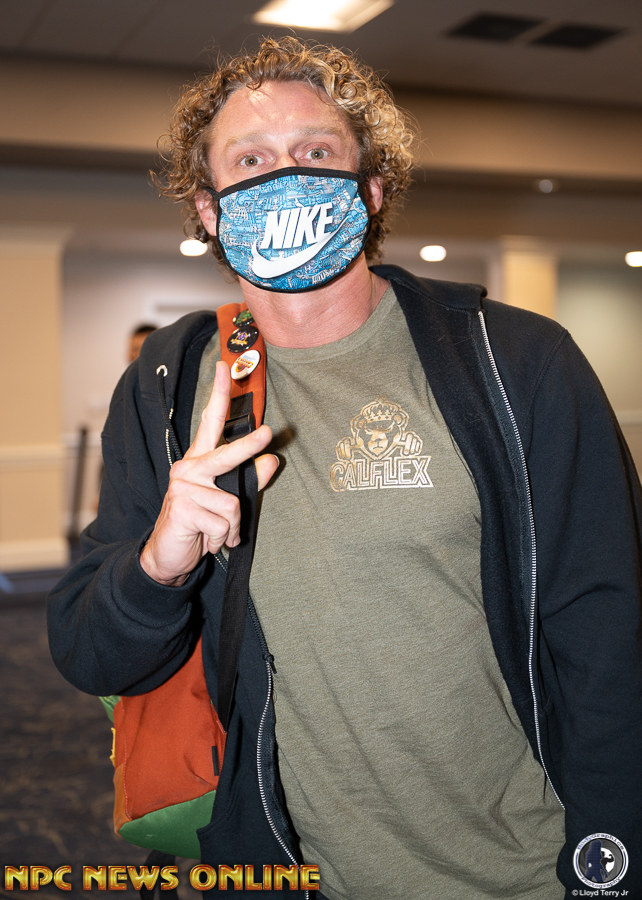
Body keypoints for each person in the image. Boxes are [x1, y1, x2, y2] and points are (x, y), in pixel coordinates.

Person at [47, 36, 642, 900]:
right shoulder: (171, 383)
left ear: (369, 190)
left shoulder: (515, 361)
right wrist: (159, 568)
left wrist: (610, 863)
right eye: (251, 159)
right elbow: (91, 653)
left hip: (520, 868)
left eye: (316, 152)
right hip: (285, 867)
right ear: (209, 210)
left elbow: (608, 628)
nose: (286, 176)